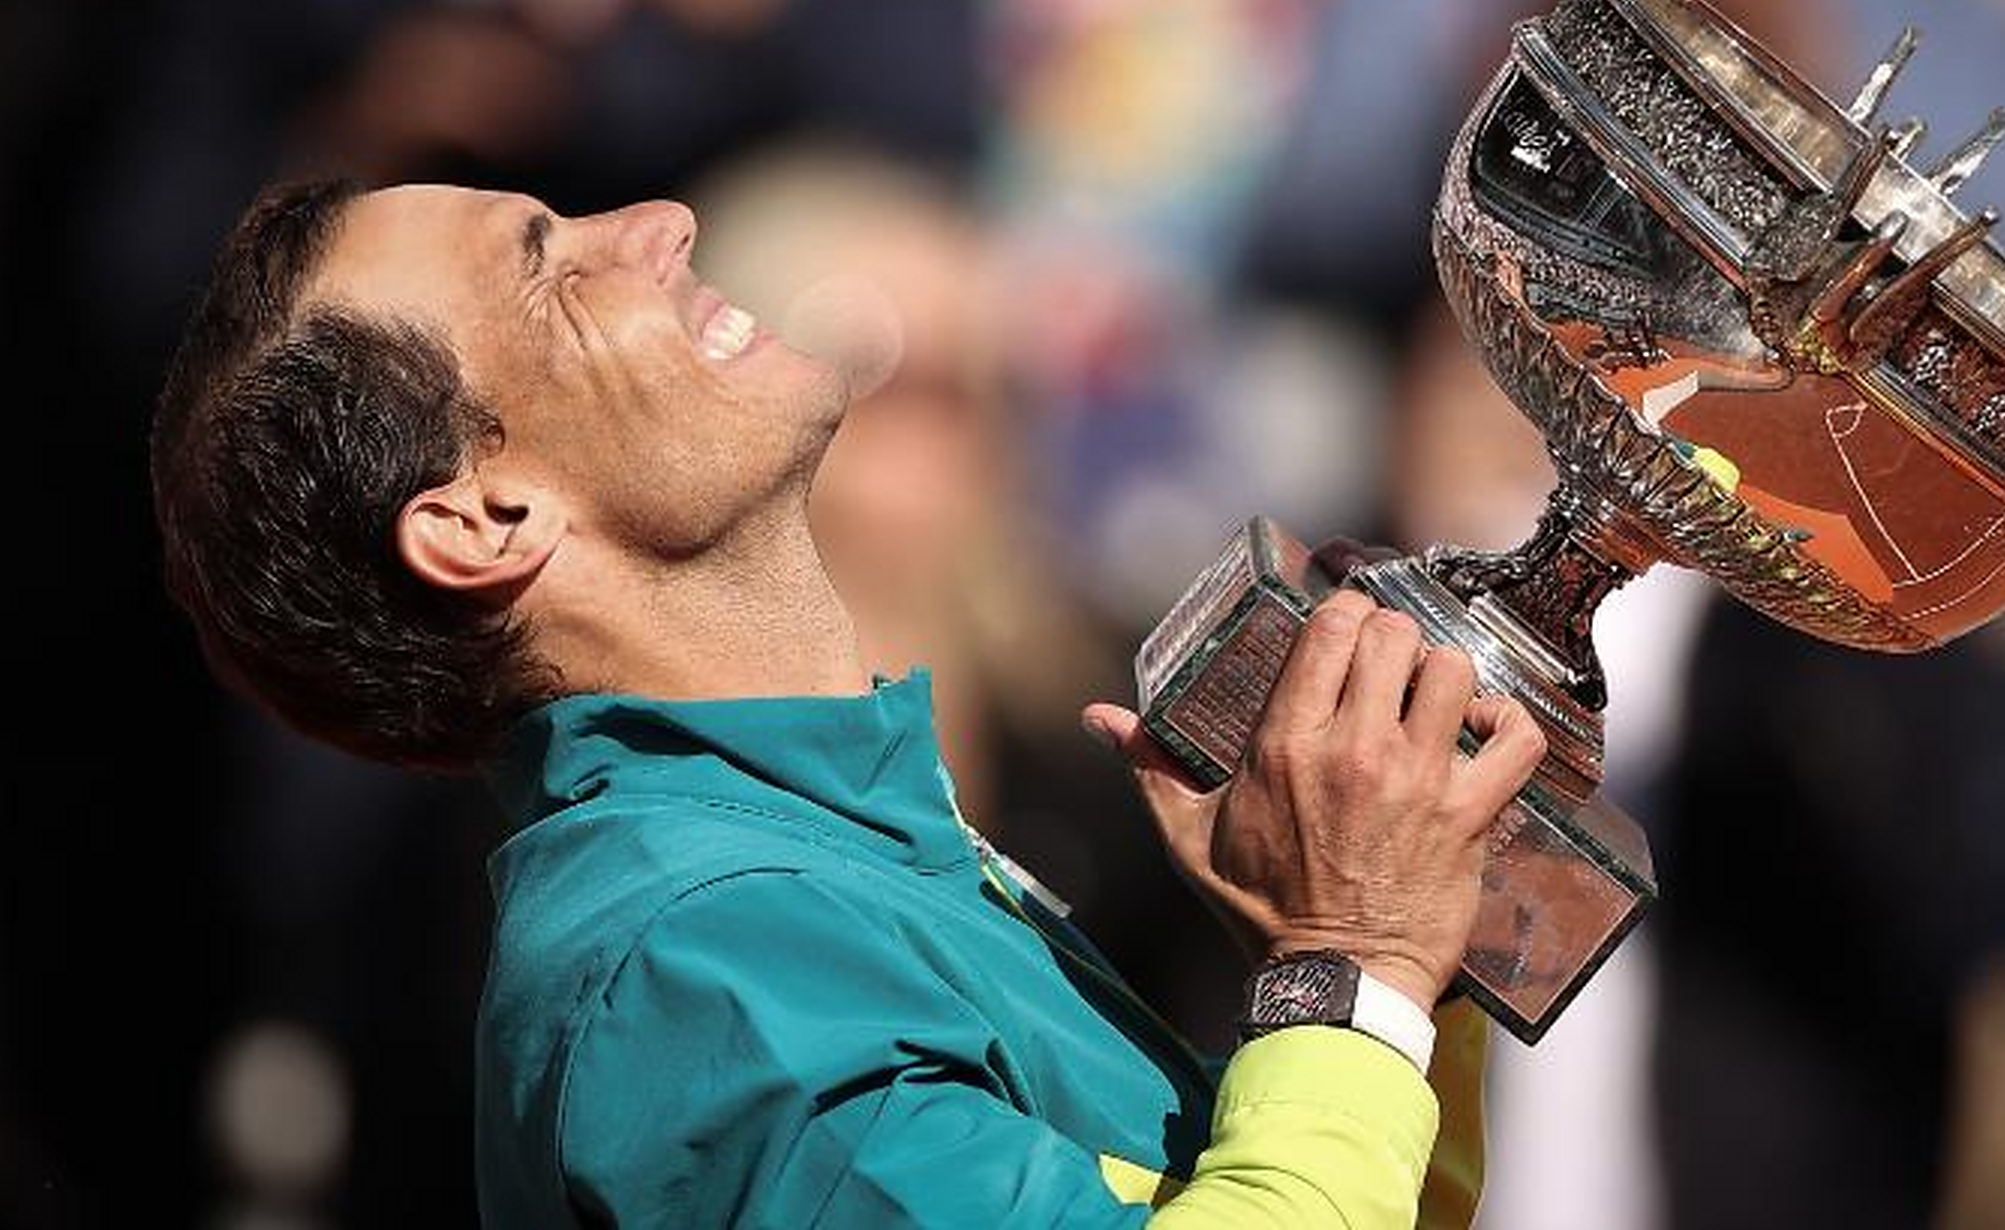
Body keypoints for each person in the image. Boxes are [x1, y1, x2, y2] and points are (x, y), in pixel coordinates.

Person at [149, 178, 1546, 1227]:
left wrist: (1404, 921)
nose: (659, 224)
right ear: (485, 518)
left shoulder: (815, 867)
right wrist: (1349, 959)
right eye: (550, 270)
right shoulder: (689, 963)